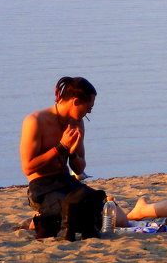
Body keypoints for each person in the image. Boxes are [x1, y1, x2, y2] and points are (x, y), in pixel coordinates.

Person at [20, 76, 128, 239]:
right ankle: (41, 219)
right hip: (42, 185)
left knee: (119, 218)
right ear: (76, 101)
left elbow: (79, 168)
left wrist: (71, 151)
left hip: (66, 181)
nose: (89, 112)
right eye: (88, 107)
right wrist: (60, 147)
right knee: (75, 215)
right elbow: (28, 167)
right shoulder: (35, 121)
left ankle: (49, 217)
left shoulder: (77, 123)